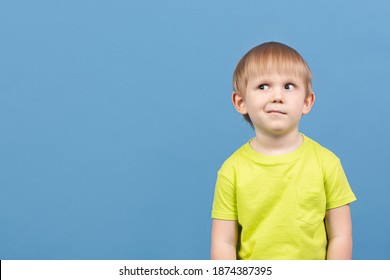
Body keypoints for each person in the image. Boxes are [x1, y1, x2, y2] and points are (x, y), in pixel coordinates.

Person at [211, 42, 357, 260]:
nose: (277, 96)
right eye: (263, 86)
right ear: (241, 102)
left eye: (288, 86)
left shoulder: (326, 163)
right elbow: (223, 242)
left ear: (307, 102)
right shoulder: (232, 170)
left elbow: (341, 235)